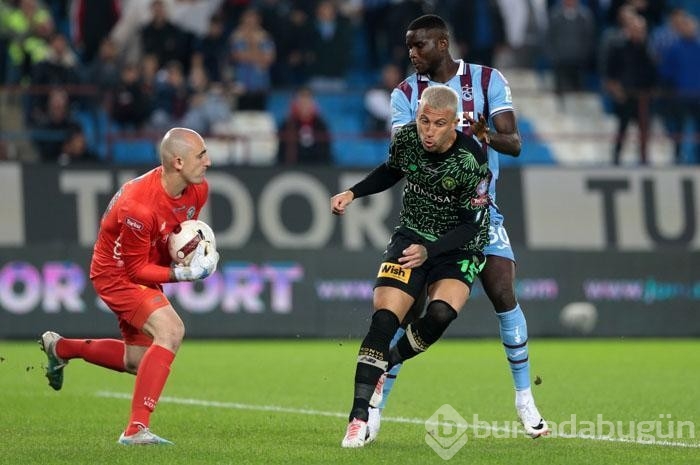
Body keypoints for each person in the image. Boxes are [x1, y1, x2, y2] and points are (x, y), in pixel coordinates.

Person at [368, 14, 549, 442]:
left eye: (420, 46)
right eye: (408, 46)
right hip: (427, 220)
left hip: (481, 213)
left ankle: (524, 399)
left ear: (443, 43)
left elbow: (515, 142)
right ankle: (376, 407)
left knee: (504, 291)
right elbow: (404, 154)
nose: (412, 54)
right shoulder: (405, 94)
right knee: (408, 312)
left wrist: (481, 135)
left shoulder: (487, 80)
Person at [332, 85, 493, 448]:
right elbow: (391, 171)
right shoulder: (406, 139)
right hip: (409, 240)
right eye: (423, 121)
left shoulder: (472, 160)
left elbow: (471, 224)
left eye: (438, 124)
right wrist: (353, 192)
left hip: (456, 249)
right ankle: (357, 420)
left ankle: (387, 362)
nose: (429, 131)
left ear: (455, 124)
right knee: (384, 319)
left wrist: (431, 250)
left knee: (439, 315)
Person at [39, 127, 219, 445]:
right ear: (178, 161)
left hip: (143, 264)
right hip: (116, 272)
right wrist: (184, 273)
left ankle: (61, 348)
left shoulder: (197, 190)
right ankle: (136, 430)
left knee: (138, 361)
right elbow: (135, 270)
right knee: (171, 330)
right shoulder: (139, 206)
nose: (208, 161)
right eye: (201, 154)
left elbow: (172, 237)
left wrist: (192, 250)